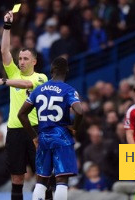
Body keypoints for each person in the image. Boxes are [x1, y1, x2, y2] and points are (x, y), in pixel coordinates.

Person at [0, 10, 48, 200]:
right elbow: (4, 51)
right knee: (17, 177)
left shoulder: (41, 77)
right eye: (20, 58)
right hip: (14, 130)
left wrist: (4, 81)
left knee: (43, 175)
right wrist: (7, 26)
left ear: (34, 61)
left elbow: (26, 84)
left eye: (25, 59)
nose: (21, 62)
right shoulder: (13, 73)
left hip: (35, 130)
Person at [18, 57, 83, 200]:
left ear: (51, 70)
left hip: (43, 138)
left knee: (41, 180)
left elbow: (21, 114)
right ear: (67, 70)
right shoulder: (68, 90)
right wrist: (74, 128)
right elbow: (80, 111)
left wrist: (34, 136)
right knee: (61, 180)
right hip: (62, 137)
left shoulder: (38, 90)